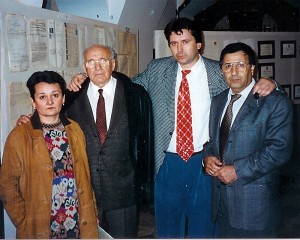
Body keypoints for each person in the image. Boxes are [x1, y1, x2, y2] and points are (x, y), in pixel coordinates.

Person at [69, 18, 276, 238]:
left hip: (205, 162)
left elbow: (246, 86)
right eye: (174, 43)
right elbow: (125, 87)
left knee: (203, 227)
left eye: (185, 41)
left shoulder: (218, 71)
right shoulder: (158, 69)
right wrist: (88, 80)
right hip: (167, 162)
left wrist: (270, 82)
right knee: (167, 229)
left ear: (199, 44)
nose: (179, 49)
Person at [203, 42, 293, 238]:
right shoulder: (218, 101)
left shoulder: (274, 101)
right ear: (222, 70)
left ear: (253, 68)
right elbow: (212, 141)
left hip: (254, 206)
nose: (234, 72)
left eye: (240, 65)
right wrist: (207, 157)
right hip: (221, 204)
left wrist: (238, 170)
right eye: (228, 66)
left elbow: (279, 150)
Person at [0, 71, 99, 239]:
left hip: (76, 218)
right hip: (40, 223)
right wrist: (22, 220)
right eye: (42, 97)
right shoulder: (19, 136)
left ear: (63, 98)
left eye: (55, 95)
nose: (50, 102)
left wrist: (92, 212)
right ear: (33, 102)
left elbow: (85, 177)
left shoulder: (75, 129)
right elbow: (7, 184)